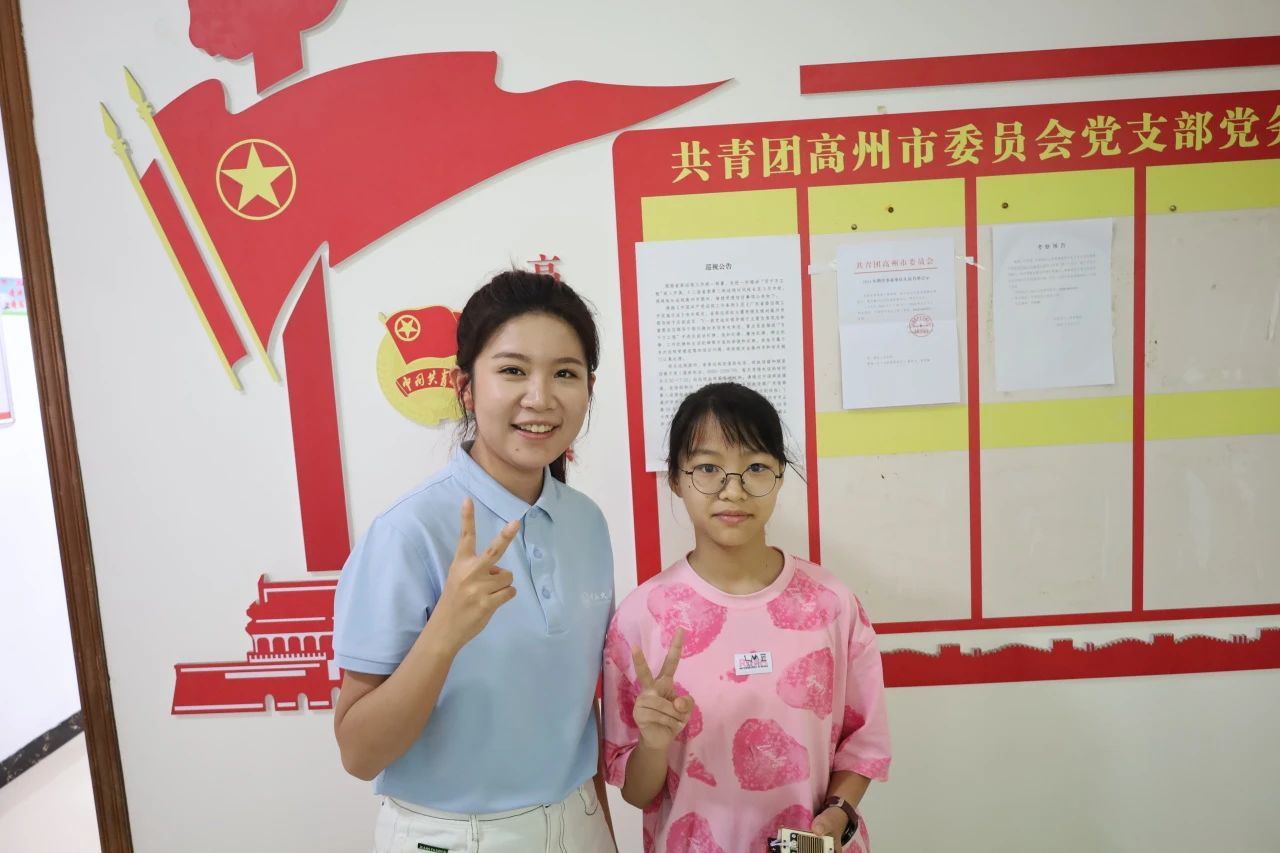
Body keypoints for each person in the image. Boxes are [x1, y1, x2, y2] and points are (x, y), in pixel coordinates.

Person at [333, 270, 616, 852]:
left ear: (589, 388)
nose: (540, 398)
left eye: (565, 373)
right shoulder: (409, 530)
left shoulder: (586, 522)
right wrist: (444, 634)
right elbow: (359, 753)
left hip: (578, 821)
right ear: (466, 387)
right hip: (453, 836)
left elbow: (577, 716)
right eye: (512, 370)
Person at [604, 382, 890, 852]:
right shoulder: (641, 618)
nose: (732, 490)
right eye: (708, 468)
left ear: (779, 475)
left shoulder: (831, 603)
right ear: (675, 479)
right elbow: (637, 793)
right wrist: (654, 743)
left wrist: (839, 814)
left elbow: (864, 742)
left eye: (755, 467)